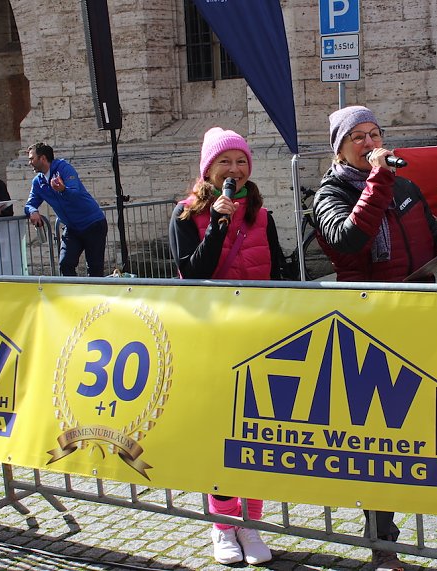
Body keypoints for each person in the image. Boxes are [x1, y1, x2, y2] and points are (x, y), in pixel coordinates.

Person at [312, 106, 437, 570]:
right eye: (356, 135)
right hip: (373, 325)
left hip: (425, 317)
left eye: (374, 132)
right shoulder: (329, 193)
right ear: (339, 147)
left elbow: (432, 245)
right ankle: (384, 543)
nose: (369, 140)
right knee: (383, 438)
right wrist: (377, 181)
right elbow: (350, 240)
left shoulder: (409, 189)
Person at [167, 127, 277, 565]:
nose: (234, 170)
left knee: (257, 432)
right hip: (211, 337)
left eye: (241, 161)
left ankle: (252, 524)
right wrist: (216, 224)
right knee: (221, 435)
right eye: (225, 163)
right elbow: (193, 272)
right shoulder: (183, 215)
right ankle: (222, 527)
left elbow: (278, 270)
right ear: (208, 170)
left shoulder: (262, 215)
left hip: (257, 334)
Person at [24, 142, 108, 277]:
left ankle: (96, 297)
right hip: (72, 228)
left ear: (43, 158)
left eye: (32, 159)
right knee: (65, 264)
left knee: (94, 269)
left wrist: (62, 189)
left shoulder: (64, 168)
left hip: (93, 224)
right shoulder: (38, 182)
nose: (29, 163)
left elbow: (75, 193)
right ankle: (74, 296)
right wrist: (33, 211)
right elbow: (29, 204)